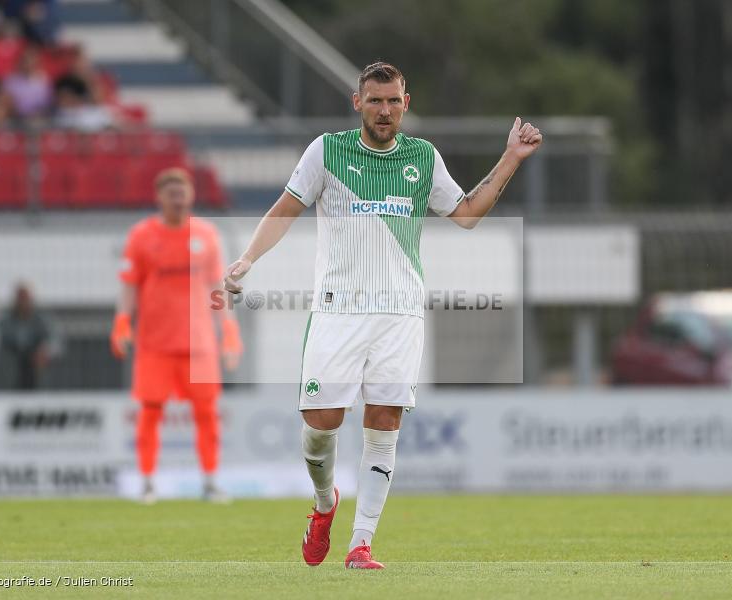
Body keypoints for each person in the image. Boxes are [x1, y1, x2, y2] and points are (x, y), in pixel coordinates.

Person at [223, 62, 542, 569]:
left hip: (399, 313)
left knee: (384, 421)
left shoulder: (422, 156)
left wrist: (510, 158)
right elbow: (286, 208)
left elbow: (466, 215)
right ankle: (324, 505)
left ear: (406, 103)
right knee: (321, 422)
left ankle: (361, 544)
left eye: (393, 101)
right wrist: (247, 259)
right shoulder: (327, 151)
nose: (385, 110)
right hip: (337, 311)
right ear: (358, 103)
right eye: (375, 101)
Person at [111, 168, 243, 504]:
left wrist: (229, 329)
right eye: (170, 191)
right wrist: (122, 321)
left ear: (191, 195)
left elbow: (217, 287)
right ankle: (148, 482)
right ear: (159, 197)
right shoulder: (141, 236)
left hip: (198, 343)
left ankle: (211, 481)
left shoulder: (206, 234)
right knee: (150, 413)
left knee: (207, 414)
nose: (177, 196)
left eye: (181, 189)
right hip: (155, 343)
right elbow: (129, 284)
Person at [0, 283, 53, 391]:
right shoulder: (5, 320)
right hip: (9, 380)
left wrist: (45, 350)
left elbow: (54, 338)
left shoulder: (42, 319)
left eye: (25, 298)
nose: (23, 302)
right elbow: (16, 339)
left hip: (35, 379)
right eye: (20, 298)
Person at [2, 46, 52, 124]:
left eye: (31, 60)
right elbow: (5, 101)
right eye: (26, 60)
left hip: (37, 118)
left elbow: (47, 104)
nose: (28, 63)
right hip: (14, 118)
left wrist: (36, 114)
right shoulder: (10, 80)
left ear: (37, 62)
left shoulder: (44, 80)